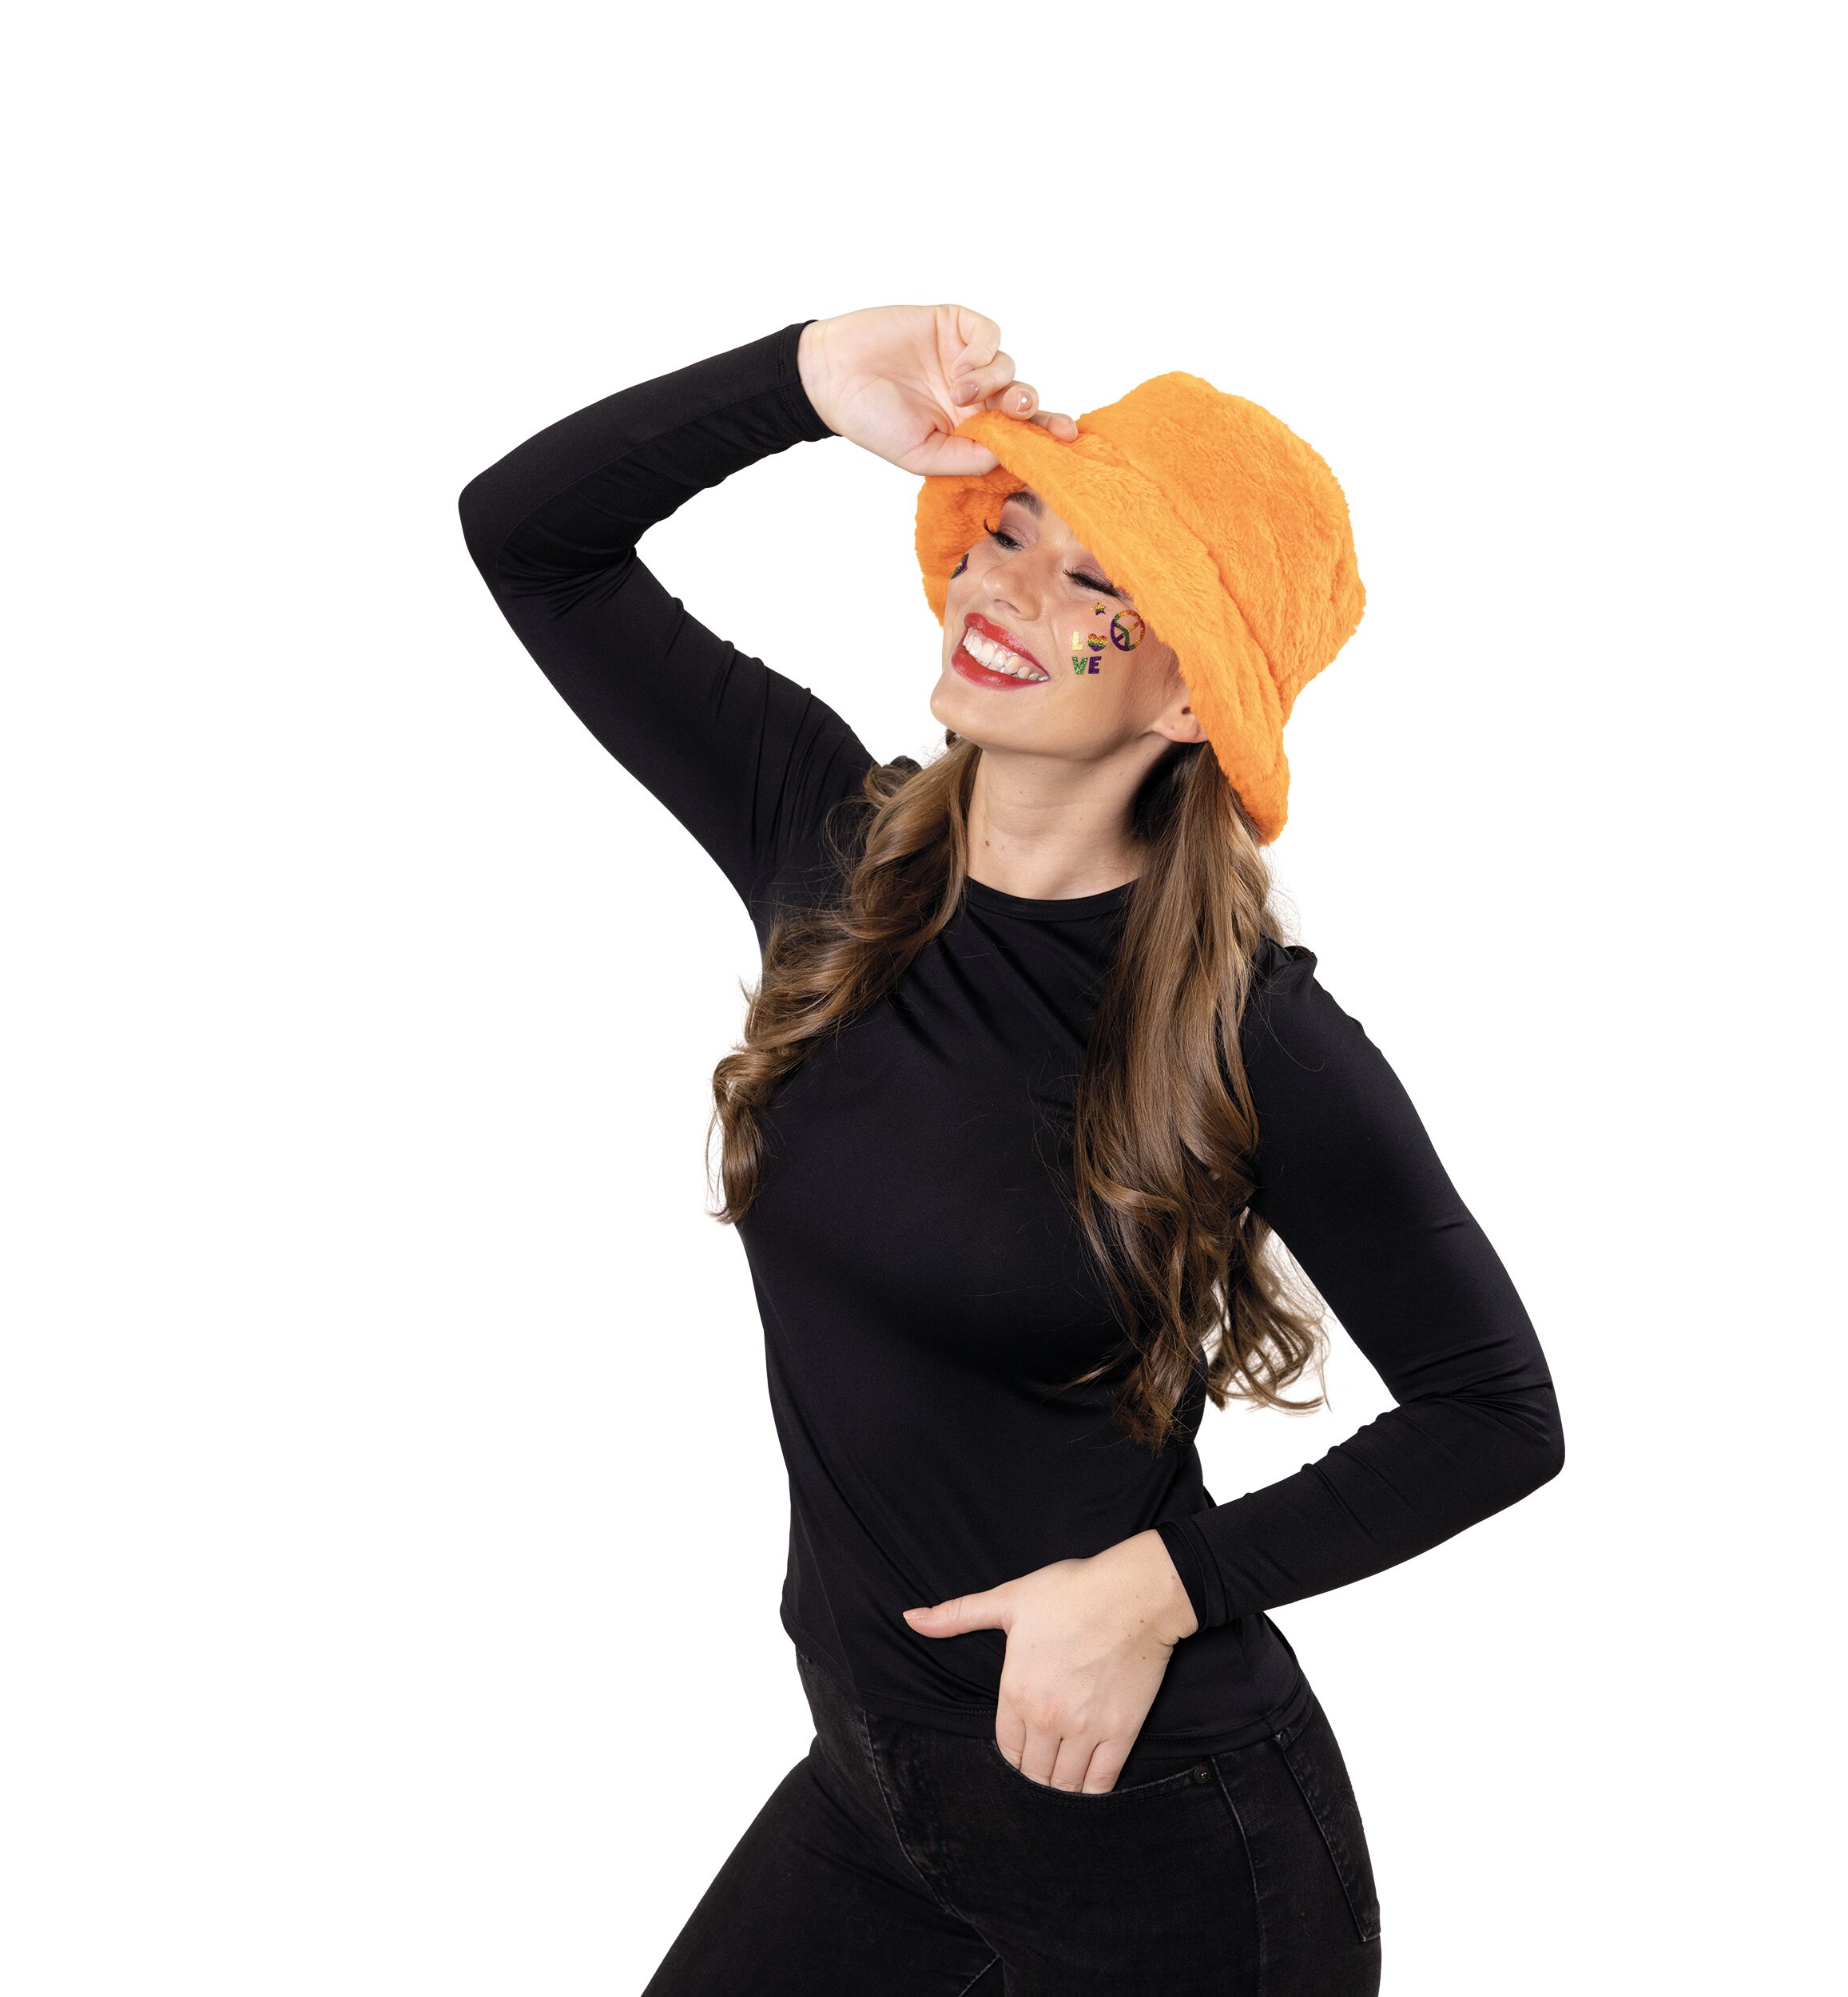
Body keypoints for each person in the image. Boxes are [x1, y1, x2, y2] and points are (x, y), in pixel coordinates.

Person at [457, 304, 1564, 1995]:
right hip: (876, 1785)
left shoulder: (1250, 1032)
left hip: (1162, 1838)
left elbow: (1495, 1412)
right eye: (1009, 530)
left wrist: (1158, 1587)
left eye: (1090, 579)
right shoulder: (827, 848)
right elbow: (528, 535)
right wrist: (806, 378)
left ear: (1186, 692)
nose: (1001, 587)